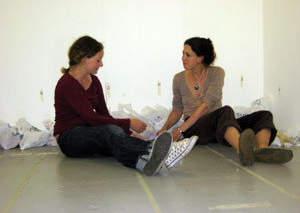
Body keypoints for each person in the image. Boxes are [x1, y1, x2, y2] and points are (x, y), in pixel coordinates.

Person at [54, 35, 197, 176]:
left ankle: (143, 163)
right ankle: (159, 150)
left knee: (117, 143)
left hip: (89, 133)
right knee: (109, 132)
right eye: (98, 60)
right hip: (69, 138)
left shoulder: (95, 82)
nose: (101, 64)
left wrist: (129, 134)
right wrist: (128, 123)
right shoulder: (67, 84)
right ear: (84, 58)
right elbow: (91, 118)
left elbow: (103, 115)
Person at [158, 37, 293, 166]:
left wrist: (179, 130)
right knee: (225, 112)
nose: (183, 58)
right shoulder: (178, 78)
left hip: (220, 125)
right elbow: (177, 110)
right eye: (183, 54)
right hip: (195, 128)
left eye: (188, 55)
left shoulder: (217, 73)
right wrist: (166, 128)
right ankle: (242, 150)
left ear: (200, 58)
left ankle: (262, 150)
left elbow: (206, 106)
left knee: (264, 115)